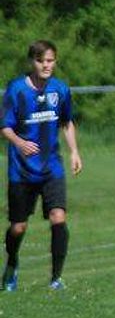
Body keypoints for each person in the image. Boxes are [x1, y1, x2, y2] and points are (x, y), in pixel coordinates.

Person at [2, 40, 82, 292]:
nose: (46, 65)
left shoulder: (60, 89)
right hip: (22, 170)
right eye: (41, 60)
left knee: (59, 218)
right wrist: (19, 142)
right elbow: (4, 126)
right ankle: (12, 263)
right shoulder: (16, 90)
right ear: (32, 62)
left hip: (52, 168)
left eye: (50, 60)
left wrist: (74, 152)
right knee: (18, 227)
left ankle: (56, 278)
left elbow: (66, 122)